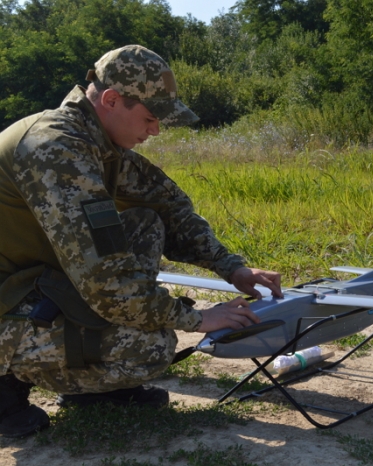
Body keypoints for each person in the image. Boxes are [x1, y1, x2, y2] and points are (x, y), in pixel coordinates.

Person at [0, 44, 283, 438]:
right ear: (112, 100)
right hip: (9, 300)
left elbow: (168, 206)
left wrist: (231, 267)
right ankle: (7, 384)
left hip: (36, 282)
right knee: (148, 346)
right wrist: (196, 319)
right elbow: (105, 278)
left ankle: (90, 385)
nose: (155, 130)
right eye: (150, 118)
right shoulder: (55, 149)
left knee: (146, 222)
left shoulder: (94, 142)